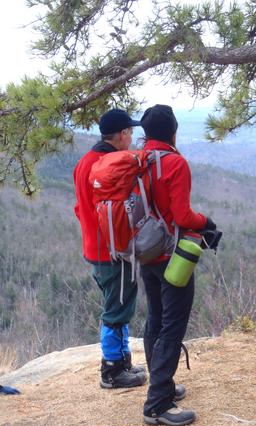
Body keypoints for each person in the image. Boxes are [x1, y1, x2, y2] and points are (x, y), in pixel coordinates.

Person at [139, 104, 217, 426]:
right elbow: (183, 217)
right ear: (173, 131)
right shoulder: (175, 163)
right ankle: (157, 403)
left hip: (145, 250)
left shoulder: (137, 160)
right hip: (174, 256)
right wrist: (207, 221)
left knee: (155, 318)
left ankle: (162, 386)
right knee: (172, 324)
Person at [73, 109, 147, 389]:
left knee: (119, 304)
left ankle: (122, 360)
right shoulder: (109, 164)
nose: (131, 138)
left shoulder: (85, 162)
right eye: (130, 132)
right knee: (115, 309)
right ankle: (112, 370)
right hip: (112, 250)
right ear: (122, 135)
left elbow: (80, 208)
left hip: (95, 247)